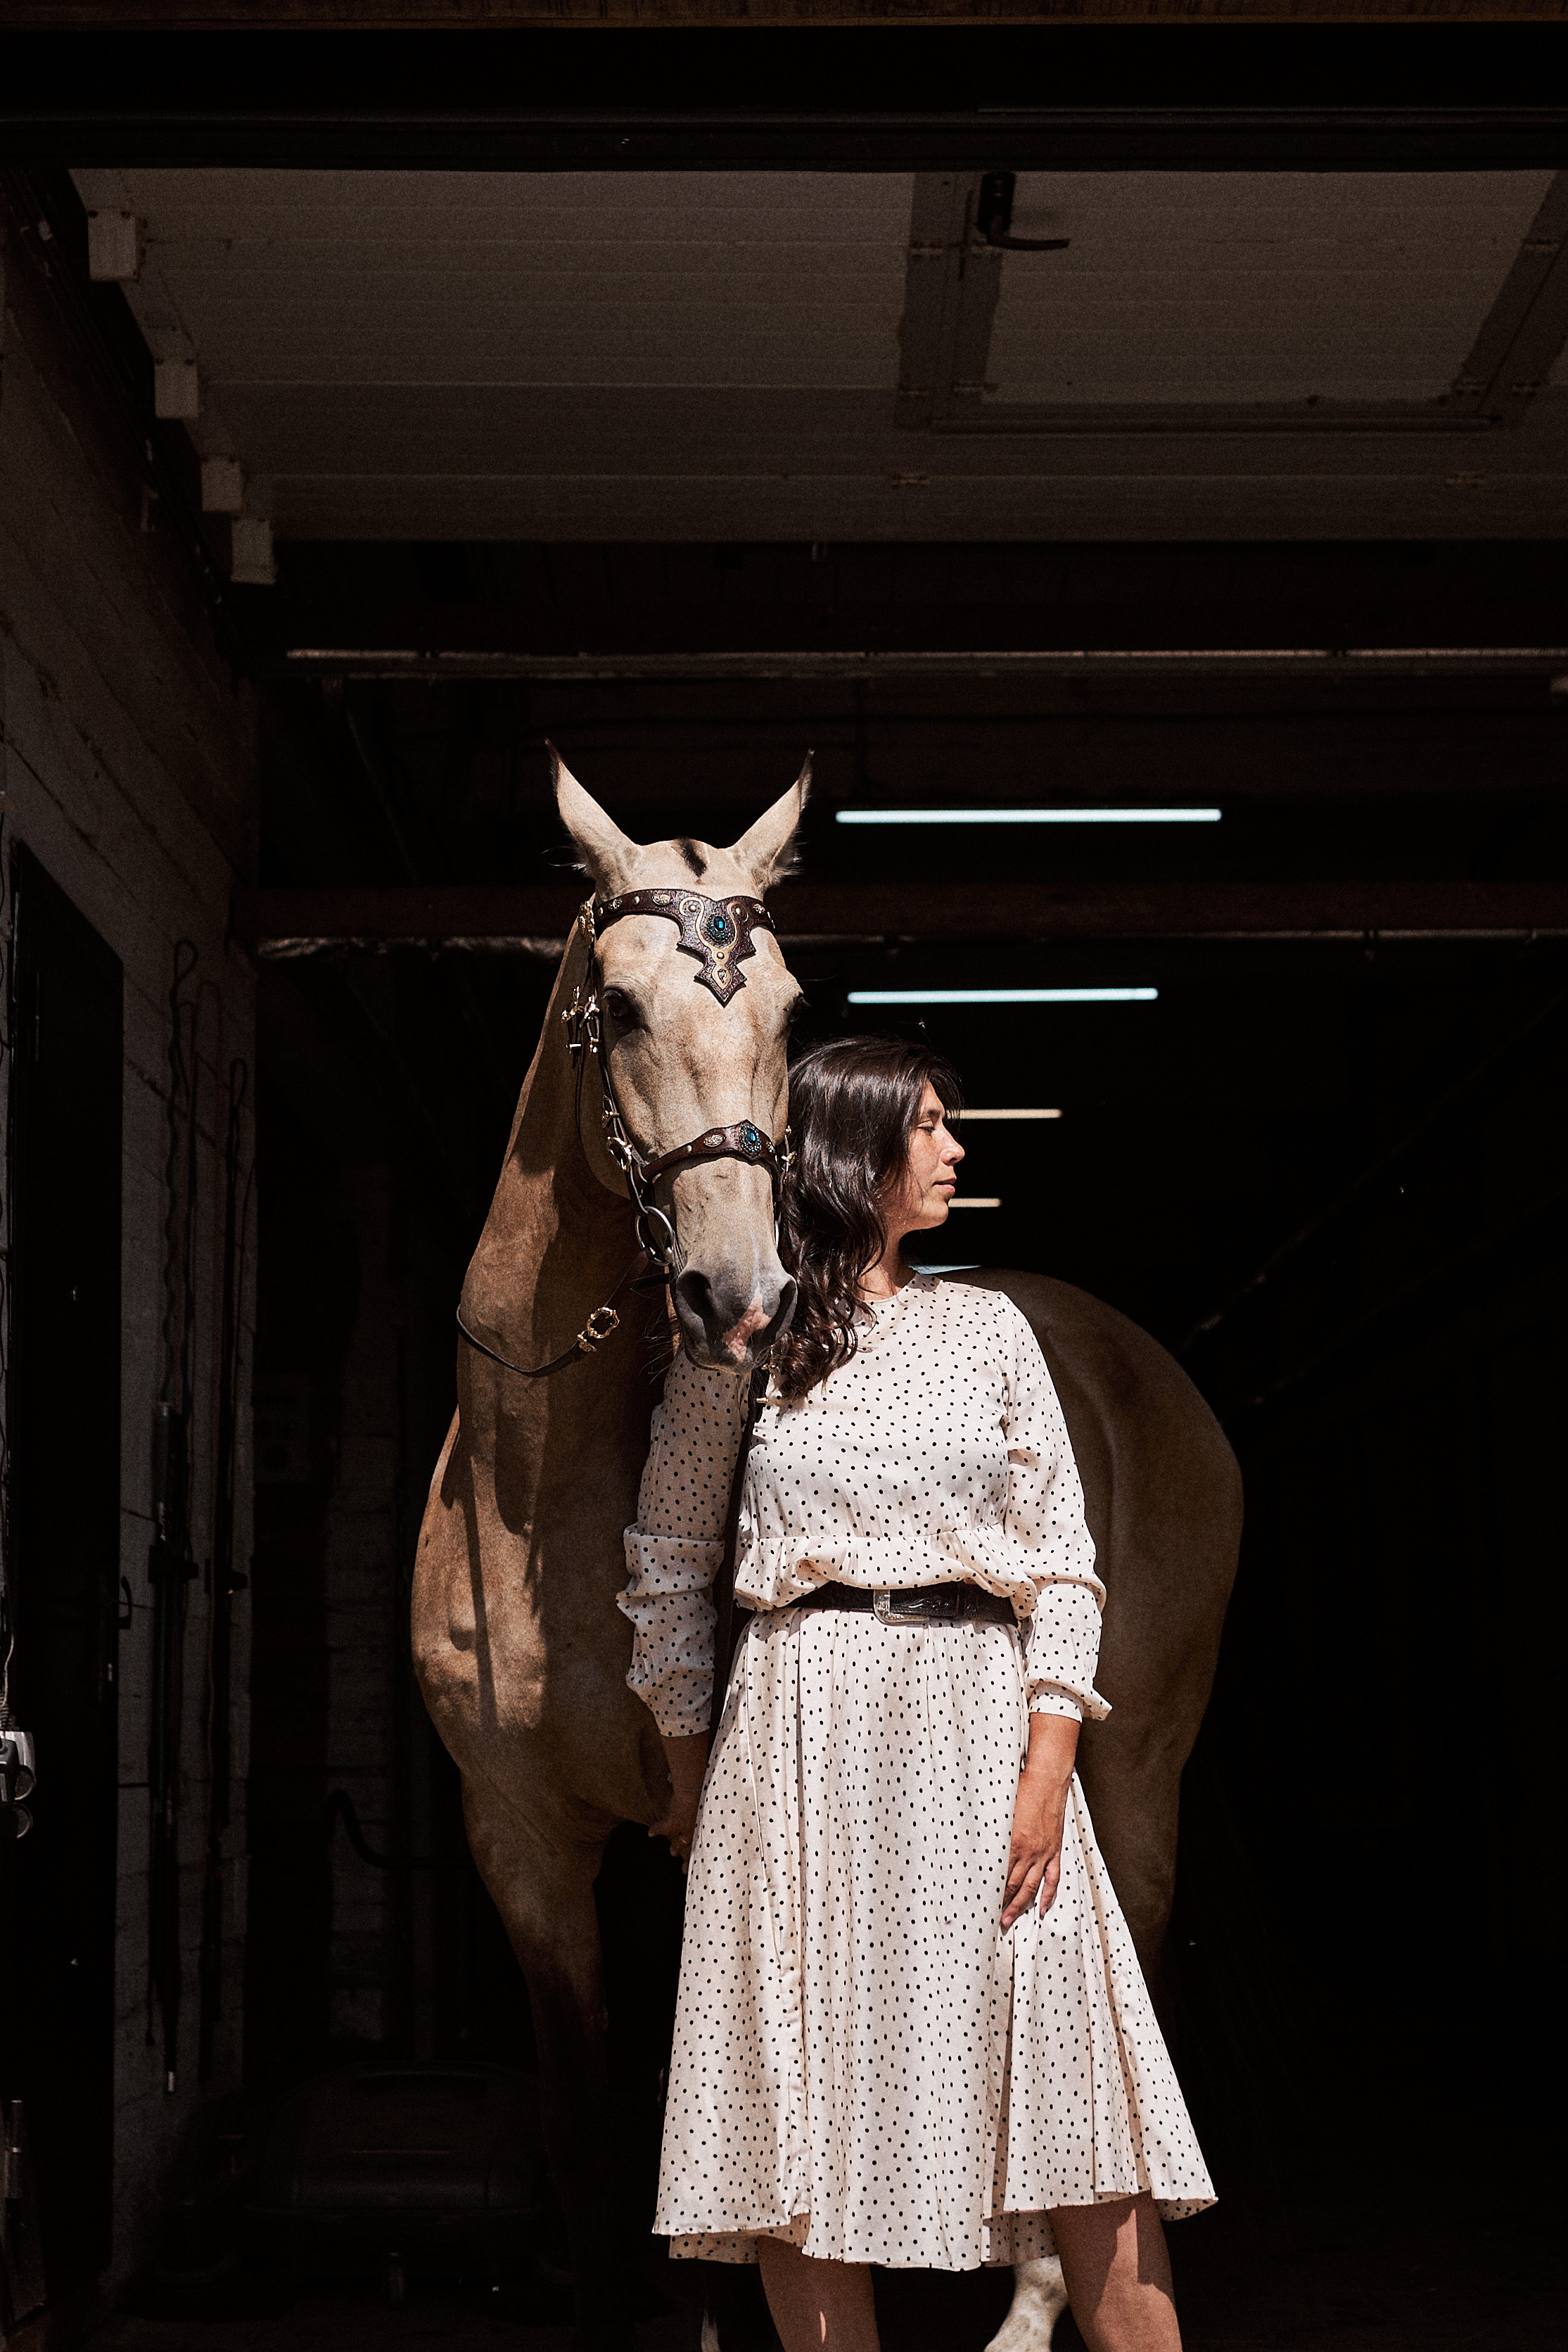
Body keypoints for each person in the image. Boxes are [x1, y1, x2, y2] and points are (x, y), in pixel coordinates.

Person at [618, 1038, 1214, 2352]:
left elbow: (1064, 1561)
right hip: (797, 1740)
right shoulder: (738, 1346)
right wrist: (686, 1769)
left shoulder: (988, 1326)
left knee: (1080, 2112)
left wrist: (1046, 1774)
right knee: (798, 2117)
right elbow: (666, 1564)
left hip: (982, 1719)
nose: (955, 1150)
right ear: (855, 1150)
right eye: (931, 1126)